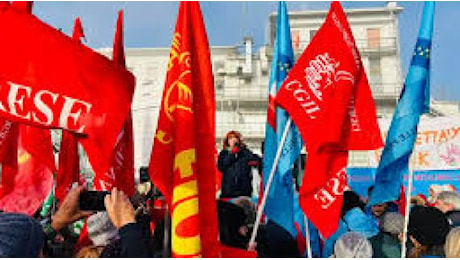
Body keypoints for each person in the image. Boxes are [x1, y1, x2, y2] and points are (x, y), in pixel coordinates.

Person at [218, 130, 261, 199]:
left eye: (235, 137)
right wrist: (232, 153)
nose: (233, 140)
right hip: (228, 190)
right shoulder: (224, 153)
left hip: (243, 191)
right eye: (230, 138)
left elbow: (255, 160)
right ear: (227, 141)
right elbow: (221, 166)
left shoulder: (245, 152)